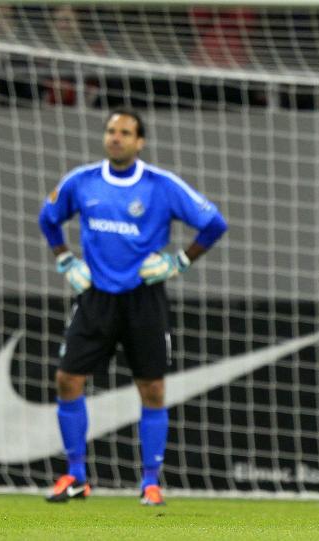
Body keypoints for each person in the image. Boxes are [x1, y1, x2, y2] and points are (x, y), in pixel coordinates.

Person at [38, 107, 228, 505]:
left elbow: (214, 224)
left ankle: (151, 482)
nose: (116, 137)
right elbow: (48, 218)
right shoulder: (82, 181)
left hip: (144, 298)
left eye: (125, 132)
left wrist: (180, 261)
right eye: (111, 131)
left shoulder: (161, 185)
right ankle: (75, 476)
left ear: (139, 141)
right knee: (66, 381)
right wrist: (64, 259)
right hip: (95, 298)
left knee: (153, 389)